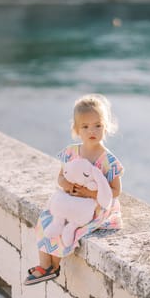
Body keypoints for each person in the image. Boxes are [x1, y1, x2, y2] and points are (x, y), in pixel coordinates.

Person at [24, 93, 124, 285]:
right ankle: (45, 265)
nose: (91, 130)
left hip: (96, 206)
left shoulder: (108, 160)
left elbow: (115, 191)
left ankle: (54, 266)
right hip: (73, 199)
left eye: (97, 125)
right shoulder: (72, 152)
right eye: (85, 126)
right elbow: (61, 177)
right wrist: (68, 186)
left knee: (73, 226)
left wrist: (89, 193)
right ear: (77, 129)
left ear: (106, 126)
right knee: (47, 218)